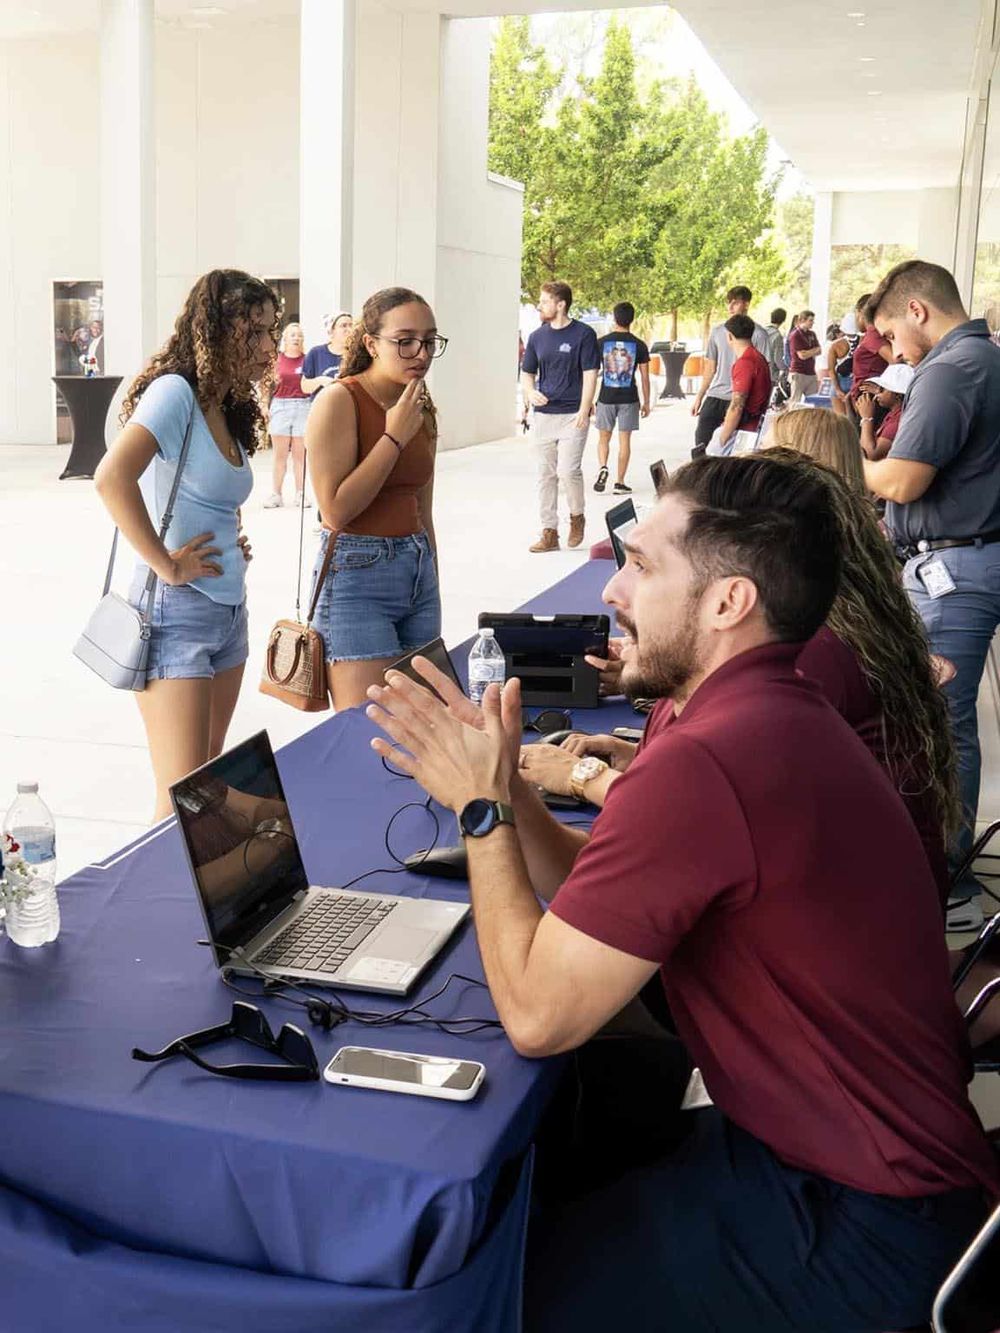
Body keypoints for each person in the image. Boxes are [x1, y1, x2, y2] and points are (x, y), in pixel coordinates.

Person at [365, 454, 996, 1333]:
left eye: (644, 565)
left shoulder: (711, 760)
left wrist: (479, 812)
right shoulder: (767, 713)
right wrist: (507, 784)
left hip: (865, 1221)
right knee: (554, 1188)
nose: (615, 589)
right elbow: (599, 883)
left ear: (728, 601)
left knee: (495, 1297)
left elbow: (540, 1015)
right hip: (856, 1172)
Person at [525, 445, 958, 908]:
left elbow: (696, 812)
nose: (613, 591)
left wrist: (574, 778)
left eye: (644, 567)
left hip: (859, 908)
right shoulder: (833, 634)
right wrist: (635, 756)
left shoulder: (806, 659)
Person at [93, 269, 279, 821]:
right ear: (222, 329)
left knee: (204, 791)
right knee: (180, 801)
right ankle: (154, 907)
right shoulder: (174, 392)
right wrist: (167, 564)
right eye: (259, 331)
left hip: (227, 613)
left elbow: (208, 492)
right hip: (176, 614)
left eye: (273, 330)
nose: (270, 344)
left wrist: (228, 535)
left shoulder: (225, 403)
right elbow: (111, 478)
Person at [863, 258, 1000, 930]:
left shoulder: (951, 369)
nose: (892, 352)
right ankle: (948, 871)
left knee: (939, 724)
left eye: (892, 334)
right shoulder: (977, 359)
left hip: (957, 571)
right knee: (946, 722)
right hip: (957, 564)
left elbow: (904, 481)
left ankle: (946, 880)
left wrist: (844, 460)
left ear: (918, 309)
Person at [305, 286, 443, 711]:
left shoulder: (420, 404)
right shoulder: (340, 399)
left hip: (416, 568)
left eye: (430, 340)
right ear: (370, 343)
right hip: (355, 574)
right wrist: (393, 437)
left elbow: (424, 505)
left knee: (425, 724)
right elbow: (336, 510)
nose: (419, 352)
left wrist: (431, 572)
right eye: (404, 341)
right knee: (368, 729)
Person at [521, 281, 600, 552]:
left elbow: (591, 374)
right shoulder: (536, 337)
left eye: (544, 301)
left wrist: (584, 408)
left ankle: (577, 517)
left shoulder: (584, 334)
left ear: (561, 304)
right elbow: (527, 373)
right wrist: (530, 392)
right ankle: (549, 532)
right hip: (543, 417)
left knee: (568, 470)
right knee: (545, 475)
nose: (540, 306)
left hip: (572, 416)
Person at [689, 286, 772, 458]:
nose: (730, 307)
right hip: (716, 396)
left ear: (747, 304)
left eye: (735, 303)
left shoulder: (758, 336)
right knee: (701, 444)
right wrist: (700, 396)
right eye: (729, 303)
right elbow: (710, 367)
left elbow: (765, 373)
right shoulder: (718, 331)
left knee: (728, 452)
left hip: (740, 402)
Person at [593, 302, 650, 495]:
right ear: (632, 319)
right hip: (629, 398)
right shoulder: (639, 345)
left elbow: (592, 373)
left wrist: (590, 401)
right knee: (625, 441)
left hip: (605, 397)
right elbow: (644, 377)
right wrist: (647, 402)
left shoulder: (601, 343)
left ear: (614, 317)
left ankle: (603, 467)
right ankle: (620, 482)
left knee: (603, 438)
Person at [704, 314, 770, 456]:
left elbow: (737, 406)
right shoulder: (759, 359)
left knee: (711, 456)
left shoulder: (744, 363)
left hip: (743, 432)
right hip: (755, 426)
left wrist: (723, 439)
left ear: (729, 336)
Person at [264, 321, 310, 509]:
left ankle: (300, 494)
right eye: (292, 335)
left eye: (299, 335)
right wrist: (263, 404)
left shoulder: (308, 360)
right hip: (280, 405)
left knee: (300, 455)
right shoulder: (276, 360)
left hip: (303, 405)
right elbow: (265, 383)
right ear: (285, 339)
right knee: (280, 455)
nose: (296, 338)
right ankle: (276, 494)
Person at [856, 360, 914, 460]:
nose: (877, 393)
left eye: (881, 389)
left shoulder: (898, 421)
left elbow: (870, 454)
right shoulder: (894, 413)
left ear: (897, 395)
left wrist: (866, 418)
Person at [301, 312, 353, 397]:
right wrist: (322, 381)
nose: (349, 330)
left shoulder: (357, 354)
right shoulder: (316, 353)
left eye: (351, 325)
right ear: (331, 331)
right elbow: (304, 387)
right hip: (321, 407)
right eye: (344, 326)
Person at [787, 309, 821, 402]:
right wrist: (813, 351)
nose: (812, 323)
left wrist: (808, 352)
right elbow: (802, 356)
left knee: (813, 401)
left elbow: (819, 350)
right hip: (798, 372)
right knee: (795, 401)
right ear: (802, 320)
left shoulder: (812, 334)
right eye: (810, 320)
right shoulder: (795, 335)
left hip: (811, 372)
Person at [763, 306, 787, 390]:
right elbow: (778, 359)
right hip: (770, 374)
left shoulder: (761, 331)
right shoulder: (777, 336)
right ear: (783, 320)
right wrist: (786, 368)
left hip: (758, 372)